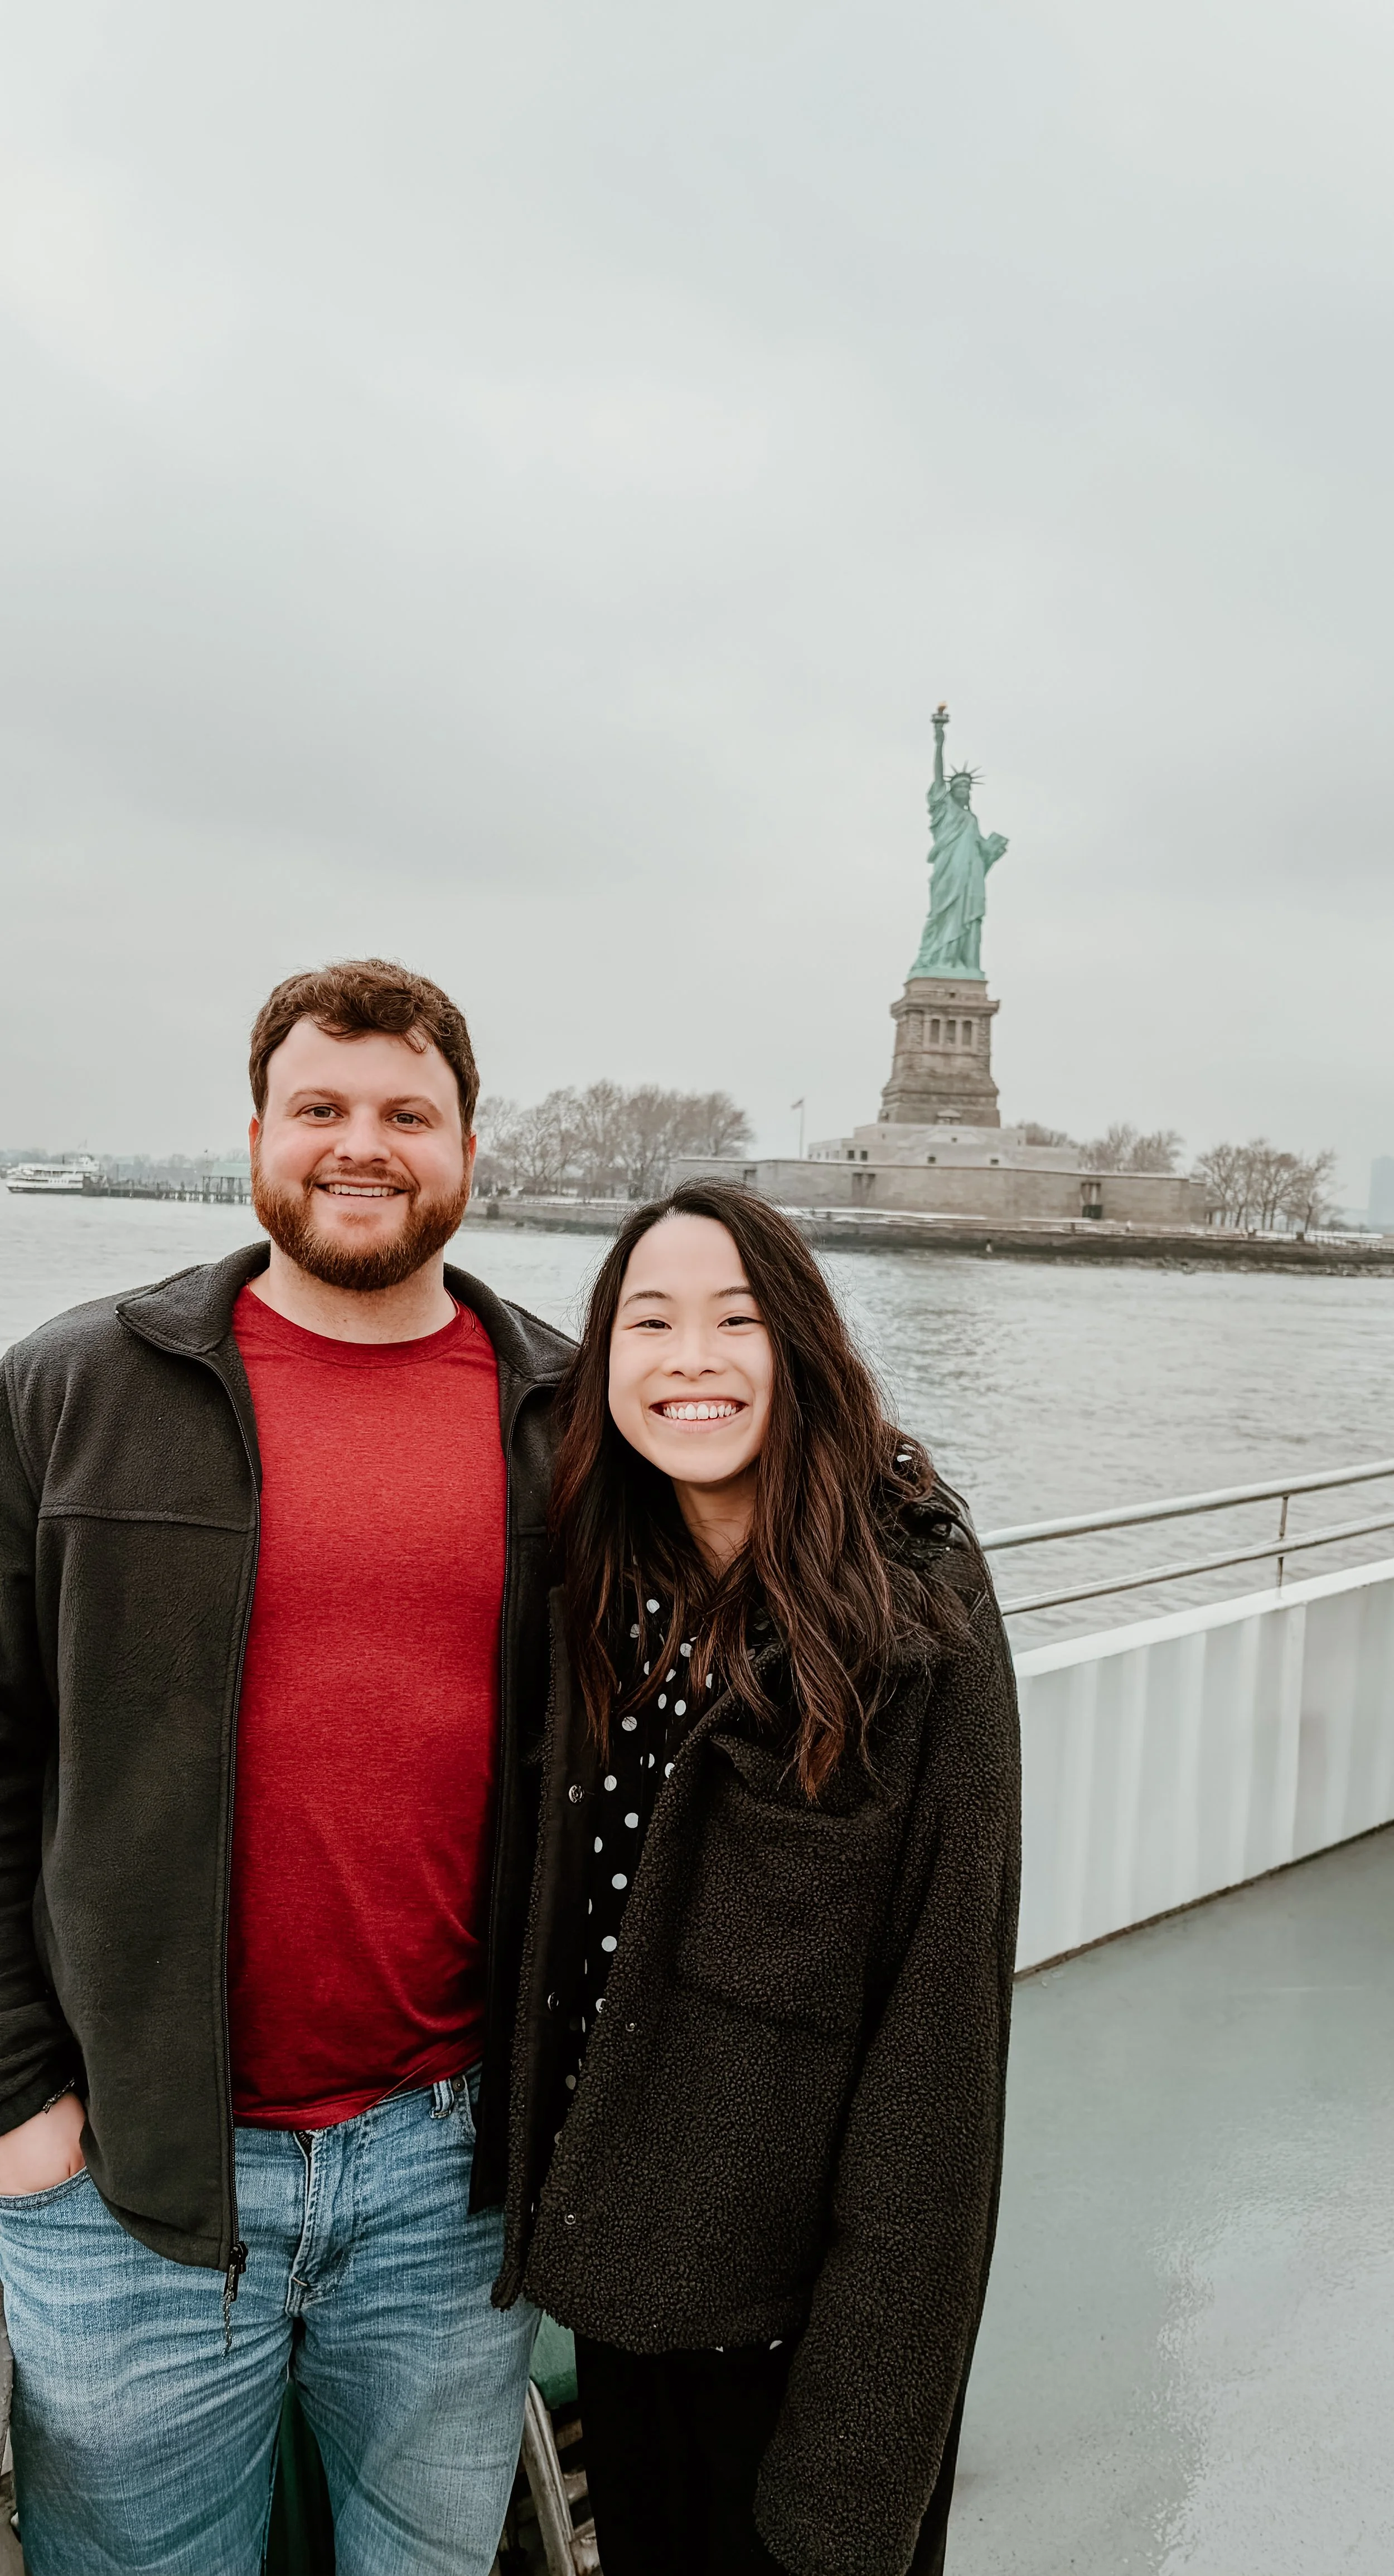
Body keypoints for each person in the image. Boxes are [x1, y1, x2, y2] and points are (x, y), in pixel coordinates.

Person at [0, 959, 572, 2576]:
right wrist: (17, 2106)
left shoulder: (563, 1414)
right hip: (129, 2179)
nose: (359, 1144)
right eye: (319, 1107)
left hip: (451, 2180)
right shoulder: (73, 1390)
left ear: (470, 1147)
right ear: (257, 1133)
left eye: (406, 1112)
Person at [495, 1181, 1022, 2576]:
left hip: (804, 2328)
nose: (690, 1361)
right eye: (648, 1323)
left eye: (735, 1321)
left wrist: (857, 2463)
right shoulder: (598, 1585)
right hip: (624, 2280)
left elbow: (939, 2072)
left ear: (799, 1349)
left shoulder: (916, 1619)